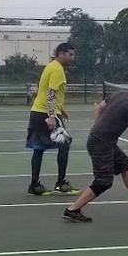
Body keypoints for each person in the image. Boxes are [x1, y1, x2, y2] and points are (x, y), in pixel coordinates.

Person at [62, 79, 128, 223]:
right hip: (101, 144)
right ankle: (73, 209)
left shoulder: (120, 94)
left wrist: (97, 127)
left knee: (125, 165)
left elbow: (98, 108)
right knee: (104, 181)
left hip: (102, 141)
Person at [26, 42, 77, 196]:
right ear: (61, 54)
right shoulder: (57, 70)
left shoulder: (51, 66)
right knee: (65, 143)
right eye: (70, 54)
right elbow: (51, 93)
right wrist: (52, 116)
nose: (72, 58)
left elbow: (47, 91)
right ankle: (61, 183)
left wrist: (61, 109)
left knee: (39, 148)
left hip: (36, 112)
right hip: (45, 113)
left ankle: (34, 185)